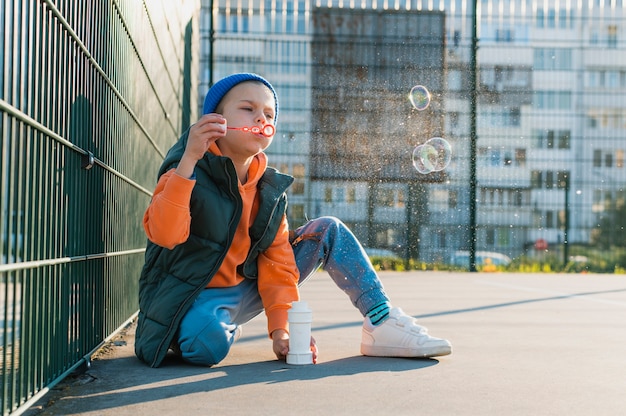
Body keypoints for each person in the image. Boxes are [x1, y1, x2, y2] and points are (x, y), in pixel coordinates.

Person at [134, 73, 452, 368]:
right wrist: (189, 159)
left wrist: (281, 331)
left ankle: (381, 322)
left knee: (327, 230)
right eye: (248, 108)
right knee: (206, 347)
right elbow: (165, 235)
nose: (261, 118)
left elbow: (278, 262)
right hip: (196, 292)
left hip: (247, 286)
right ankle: (209, 326)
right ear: (214, 121)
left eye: (270, 115)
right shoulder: (185, 171)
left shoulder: (269, 190)